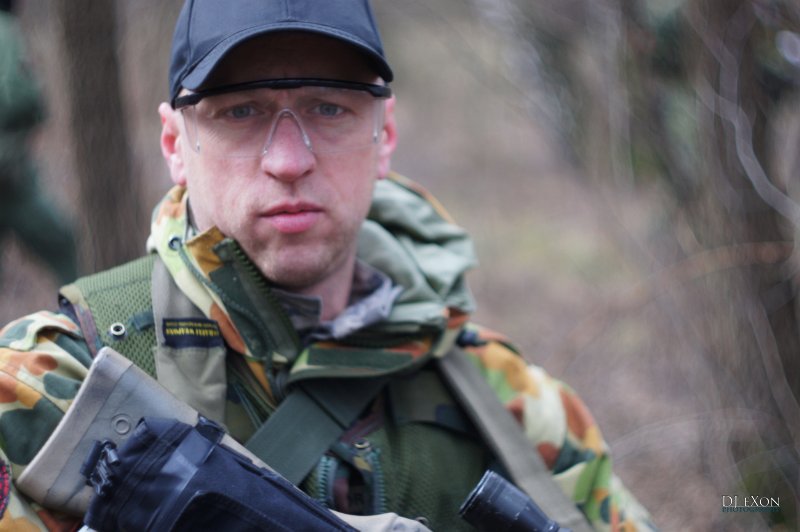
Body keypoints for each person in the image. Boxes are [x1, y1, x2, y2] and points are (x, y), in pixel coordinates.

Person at [0, 1, 656, 530]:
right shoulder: (46, 387)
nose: (289, 160)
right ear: (176, 142)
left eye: (329, 108)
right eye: (242, 111)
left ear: (384, 134)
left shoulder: (516, 408)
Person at [0, 0, 78, 286]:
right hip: (8, 175)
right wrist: (36, 108)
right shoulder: (4, 29)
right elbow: (19, 94)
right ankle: (78, 310)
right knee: (63, 245)